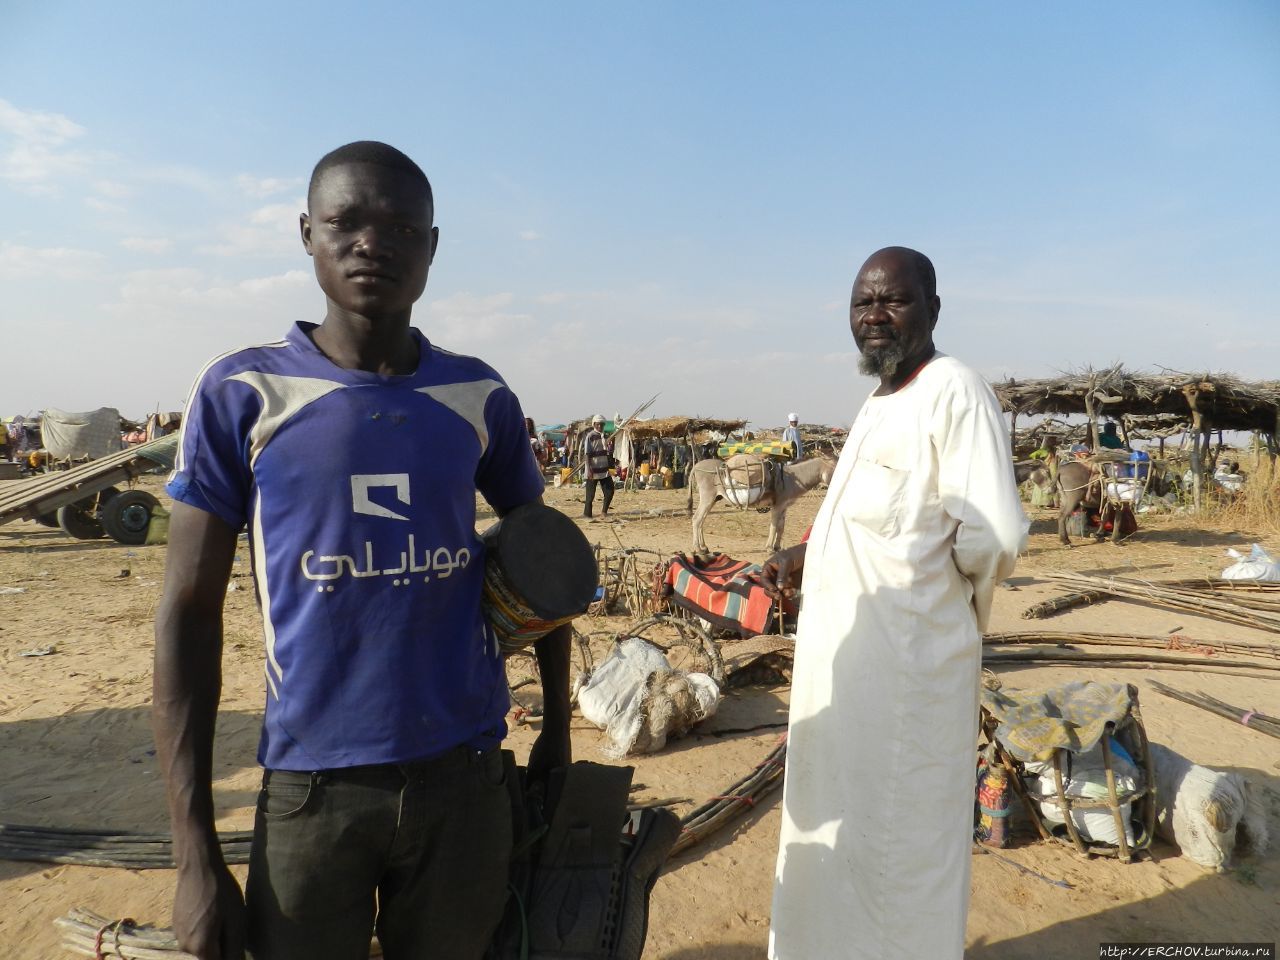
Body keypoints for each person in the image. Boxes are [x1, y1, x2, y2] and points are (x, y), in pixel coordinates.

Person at [152, 141, 571, 960]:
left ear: (432, 247)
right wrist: (193, 851)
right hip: (314, 789)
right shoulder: (244, 393)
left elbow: (545, 564)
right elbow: (186, 614)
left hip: (466, 778)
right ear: (306, 232)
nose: (372, 243)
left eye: (401, 227)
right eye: (345, 221)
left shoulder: (477, 393)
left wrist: (556, 727)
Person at [761, 247, 1027, 960]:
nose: (874, 316)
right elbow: (874, 521)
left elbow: (994, 532)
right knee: (840, 852)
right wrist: (801, 558)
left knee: (898, 860)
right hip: (849, 685)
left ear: (933, 310)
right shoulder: (880, 401)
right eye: (861, 303)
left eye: (893, 300)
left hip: (908, 681)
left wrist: (934, 610)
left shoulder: (954, 390)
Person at [581, 414, 613, 518]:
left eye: (602, 424)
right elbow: (587, 454)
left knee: (609, 491)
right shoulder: (590, 436)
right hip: (593, 470)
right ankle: (587, 515)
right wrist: (589, 469)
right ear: (594, 424)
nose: (600, 426)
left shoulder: (604, 436)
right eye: (598, 424)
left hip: (604, 470)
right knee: (590, 495)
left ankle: (604, 512)